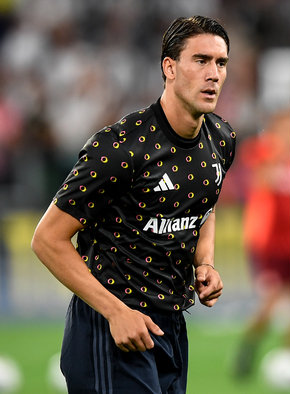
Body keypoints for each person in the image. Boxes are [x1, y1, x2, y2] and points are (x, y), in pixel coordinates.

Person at [31, 15, 236, 393]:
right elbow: (47, 240)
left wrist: (204, 262)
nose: (214, 74)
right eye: (201, 60)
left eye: (221, 63)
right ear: (169, 68)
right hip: (109, 330)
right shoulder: (120, 147)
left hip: (170, 328)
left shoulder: (221, 139)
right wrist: (114, 312)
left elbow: (204, 207)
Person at [233, 110, 290, 379]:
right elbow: (260, 183)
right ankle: (247, 347)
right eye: (288, 126)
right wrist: (278, 153)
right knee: (271, 301)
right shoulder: (260, 151)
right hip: (267, 242)